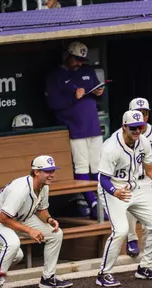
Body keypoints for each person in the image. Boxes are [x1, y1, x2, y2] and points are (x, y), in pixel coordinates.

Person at [96, 110, 152, 287]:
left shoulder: (143, 141)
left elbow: (150, 169)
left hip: (137, 187)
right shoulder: (111, 147)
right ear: (124, 127)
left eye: (140, 127)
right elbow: (103, 179)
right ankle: (104, 273)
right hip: (113, 187)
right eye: (133, 128)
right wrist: (115, 192)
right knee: (120, 231)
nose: (137, 131)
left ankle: (145, 267)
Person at [0, 155, 73, 288]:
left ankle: (48, 278)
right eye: (48, 171)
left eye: (53, 171)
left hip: (18, 218)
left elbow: (41, 210)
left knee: (56, 234)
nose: (52, 174)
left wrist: (49, 220)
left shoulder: (43, 186)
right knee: (13, 244)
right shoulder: (21, 189)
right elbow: (3, 218)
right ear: (36, 172)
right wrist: (30, 231)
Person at [45, 41, 105, 220]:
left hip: (93, 125)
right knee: (81, 166)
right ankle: (92, 203)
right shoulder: (55, 75)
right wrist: (73, 97)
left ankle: (101, 202)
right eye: (77, 59)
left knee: (97, 166)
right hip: (75, 128)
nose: (80, 63)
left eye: (82, 60)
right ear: (68, 55)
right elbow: (52, 104)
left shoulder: (88, 71)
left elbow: (98, 97)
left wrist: (99, 93)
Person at [124, 97, 152, 258]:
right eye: (138, 113)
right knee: (128, 213)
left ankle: (145, 259)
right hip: (127, 180)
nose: (142, 116)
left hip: (147, 180)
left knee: (149, 224)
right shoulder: (123, 134)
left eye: (145, 113)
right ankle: (131, 239)